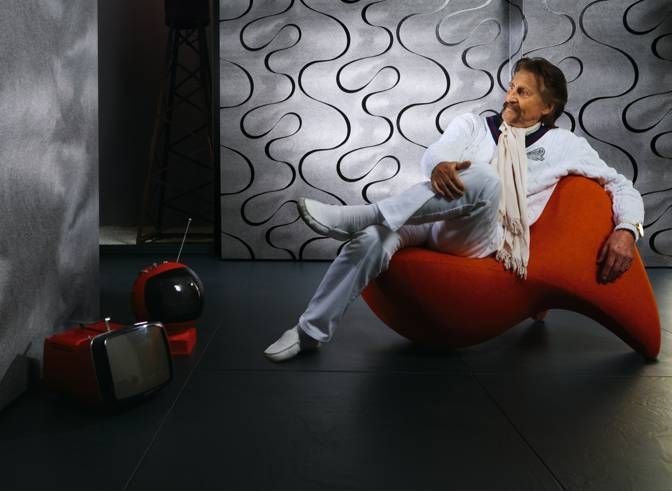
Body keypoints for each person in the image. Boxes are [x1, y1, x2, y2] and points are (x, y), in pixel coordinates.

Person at [263, 57, 645, 362]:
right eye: (511, 86)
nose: (510, 96)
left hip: (482, 237)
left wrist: (627, 228)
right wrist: (440, 166)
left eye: (523, 92)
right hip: (430, 218)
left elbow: (619, 184)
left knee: (486, 179)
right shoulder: (474, 125)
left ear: (548, 107)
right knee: (370, 241)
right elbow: (437, 154)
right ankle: (309, 332)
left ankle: (368, 213)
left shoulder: (565, 145)